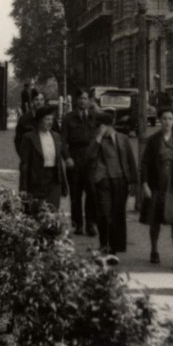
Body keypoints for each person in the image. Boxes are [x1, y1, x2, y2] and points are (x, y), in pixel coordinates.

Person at [140, 105, 173, 271]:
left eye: (170, 119)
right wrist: (145, 184)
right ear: (159, 121)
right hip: (157, 184)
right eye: (164, 119)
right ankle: (154, 249)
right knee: (155, 219)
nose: (167, 122)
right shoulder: (153, 141)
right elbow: (145, 164)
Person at [86, 109, 138, 256]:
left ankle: (114, 247)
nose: (99, 129)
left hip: (121, 180)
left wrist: (134, 182)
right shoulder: (97, 140)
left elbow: (130, 160)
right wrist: (99, 136)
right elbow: (89, 157)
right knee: (104, 213)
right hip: (103, 181)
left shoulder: (123, 139)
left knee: (118, 214)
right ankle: (105, 244)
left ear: (109, 126)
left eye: (101, 127)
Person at [61, 88, 98, 236]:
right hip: (74, 158)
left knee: (92, 193)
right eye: (81, 98)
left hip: (91, 159)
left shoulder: (95, 117)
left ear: (89, 100)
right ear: (77, 101)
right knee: (75, 194)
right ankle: (77, 224)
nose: (83, 101)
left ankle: (91, 224)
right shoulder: (68, 118)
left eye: (86, 98)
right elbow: (62, 142)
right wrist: (67, 158)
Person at [19, 104, 68, 208]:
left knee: (53, 213)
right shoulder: (29, 138)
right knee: (37, 213)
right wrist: (23, 187)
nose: (50, 122)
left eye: (52, 119)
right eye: (47, 119)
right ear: (39, 120)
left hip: (53, 181)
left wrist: (63, 185)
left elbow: (59, 162)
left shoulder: (56, 136)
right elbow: (24, 164)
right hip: (37, 181)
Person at [14, 90, 45, 155]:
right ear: (32, 102)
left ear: (44, 101)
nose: (39, 102)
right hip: (30, 156)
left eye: (41, 99)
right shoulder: (24, 119)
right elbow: (18, 140)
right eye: (36, 99)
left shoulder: (49, 119)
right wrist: (23, 155)